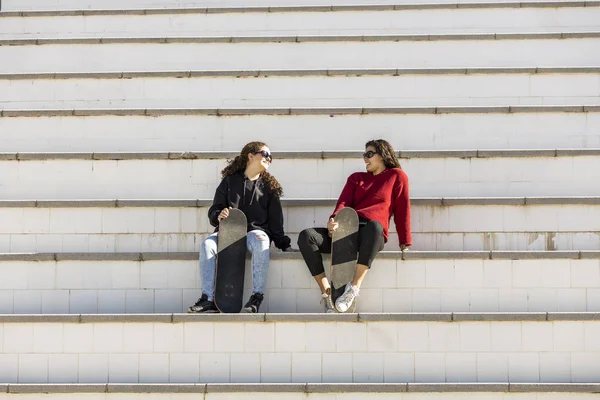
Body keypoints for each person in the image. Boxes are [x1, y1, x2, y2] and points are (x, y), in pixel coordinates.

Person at [297, 139, 411, 313]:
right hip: (348, 231)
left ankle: (353, 288)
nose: (365, 158)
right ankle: (327, 292)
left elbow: (403, 209)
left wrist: (405, 242)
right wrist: (333, 220)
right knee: (307, 236)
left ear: (383, 155)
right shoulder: (356, 178)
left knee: (375, 226)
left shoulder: (396, 176)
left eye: (369, 154)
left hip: (372, 235)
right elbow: (343, 203)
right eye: (364, 155)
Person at [188, 141, 292, 314]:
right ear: (250, 156)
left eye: (271, 157)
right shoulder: (229, 182)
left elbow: (276, 221)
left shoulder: (270, 188)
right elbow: (214, 210)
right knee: (207, 245)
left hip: (254, 233)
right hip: (227, 233)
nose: (269, 159)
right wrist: (218, 215)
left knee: (261, 240)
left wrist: (284, 244)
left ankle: (256, 297)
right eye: (265, 154)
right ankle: (208, 298)